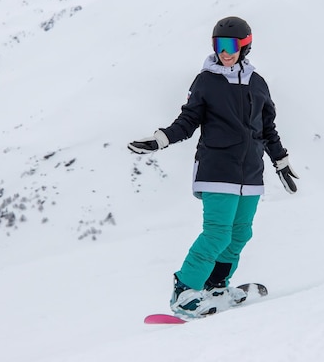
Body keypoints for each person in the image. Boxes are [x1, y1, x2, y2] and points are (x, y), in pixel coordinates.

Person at [128, 16, 298, 318]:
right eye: (219, 45)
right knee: (217, 234)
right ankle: (184, 291)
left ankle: (216, 286)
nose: (225, 51)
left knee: (240, 235)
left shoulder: (258, 84)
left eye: (231, 45)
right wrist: (160, 140)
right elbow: (188, 120)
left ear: (244, 46)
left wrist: (280, 161)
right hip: (217, 170)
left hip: (250, 172)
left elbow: (267, 128)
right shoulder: (207, 81)